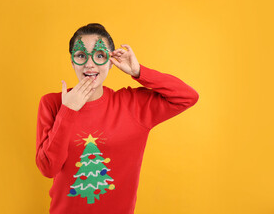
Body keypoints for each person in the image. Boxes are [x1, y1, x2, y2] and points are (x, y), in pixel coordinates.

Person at [36, 23, 199, 214]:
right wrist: (68, 111)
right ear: (72, 62)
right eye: (81, 55)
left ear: (110, 62)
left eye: (99, 55)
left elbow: (187, 97)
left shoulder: (132, 105)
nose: (90, 64)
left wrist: (139, 72)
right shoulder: (53, 103)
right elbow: (48, 168)